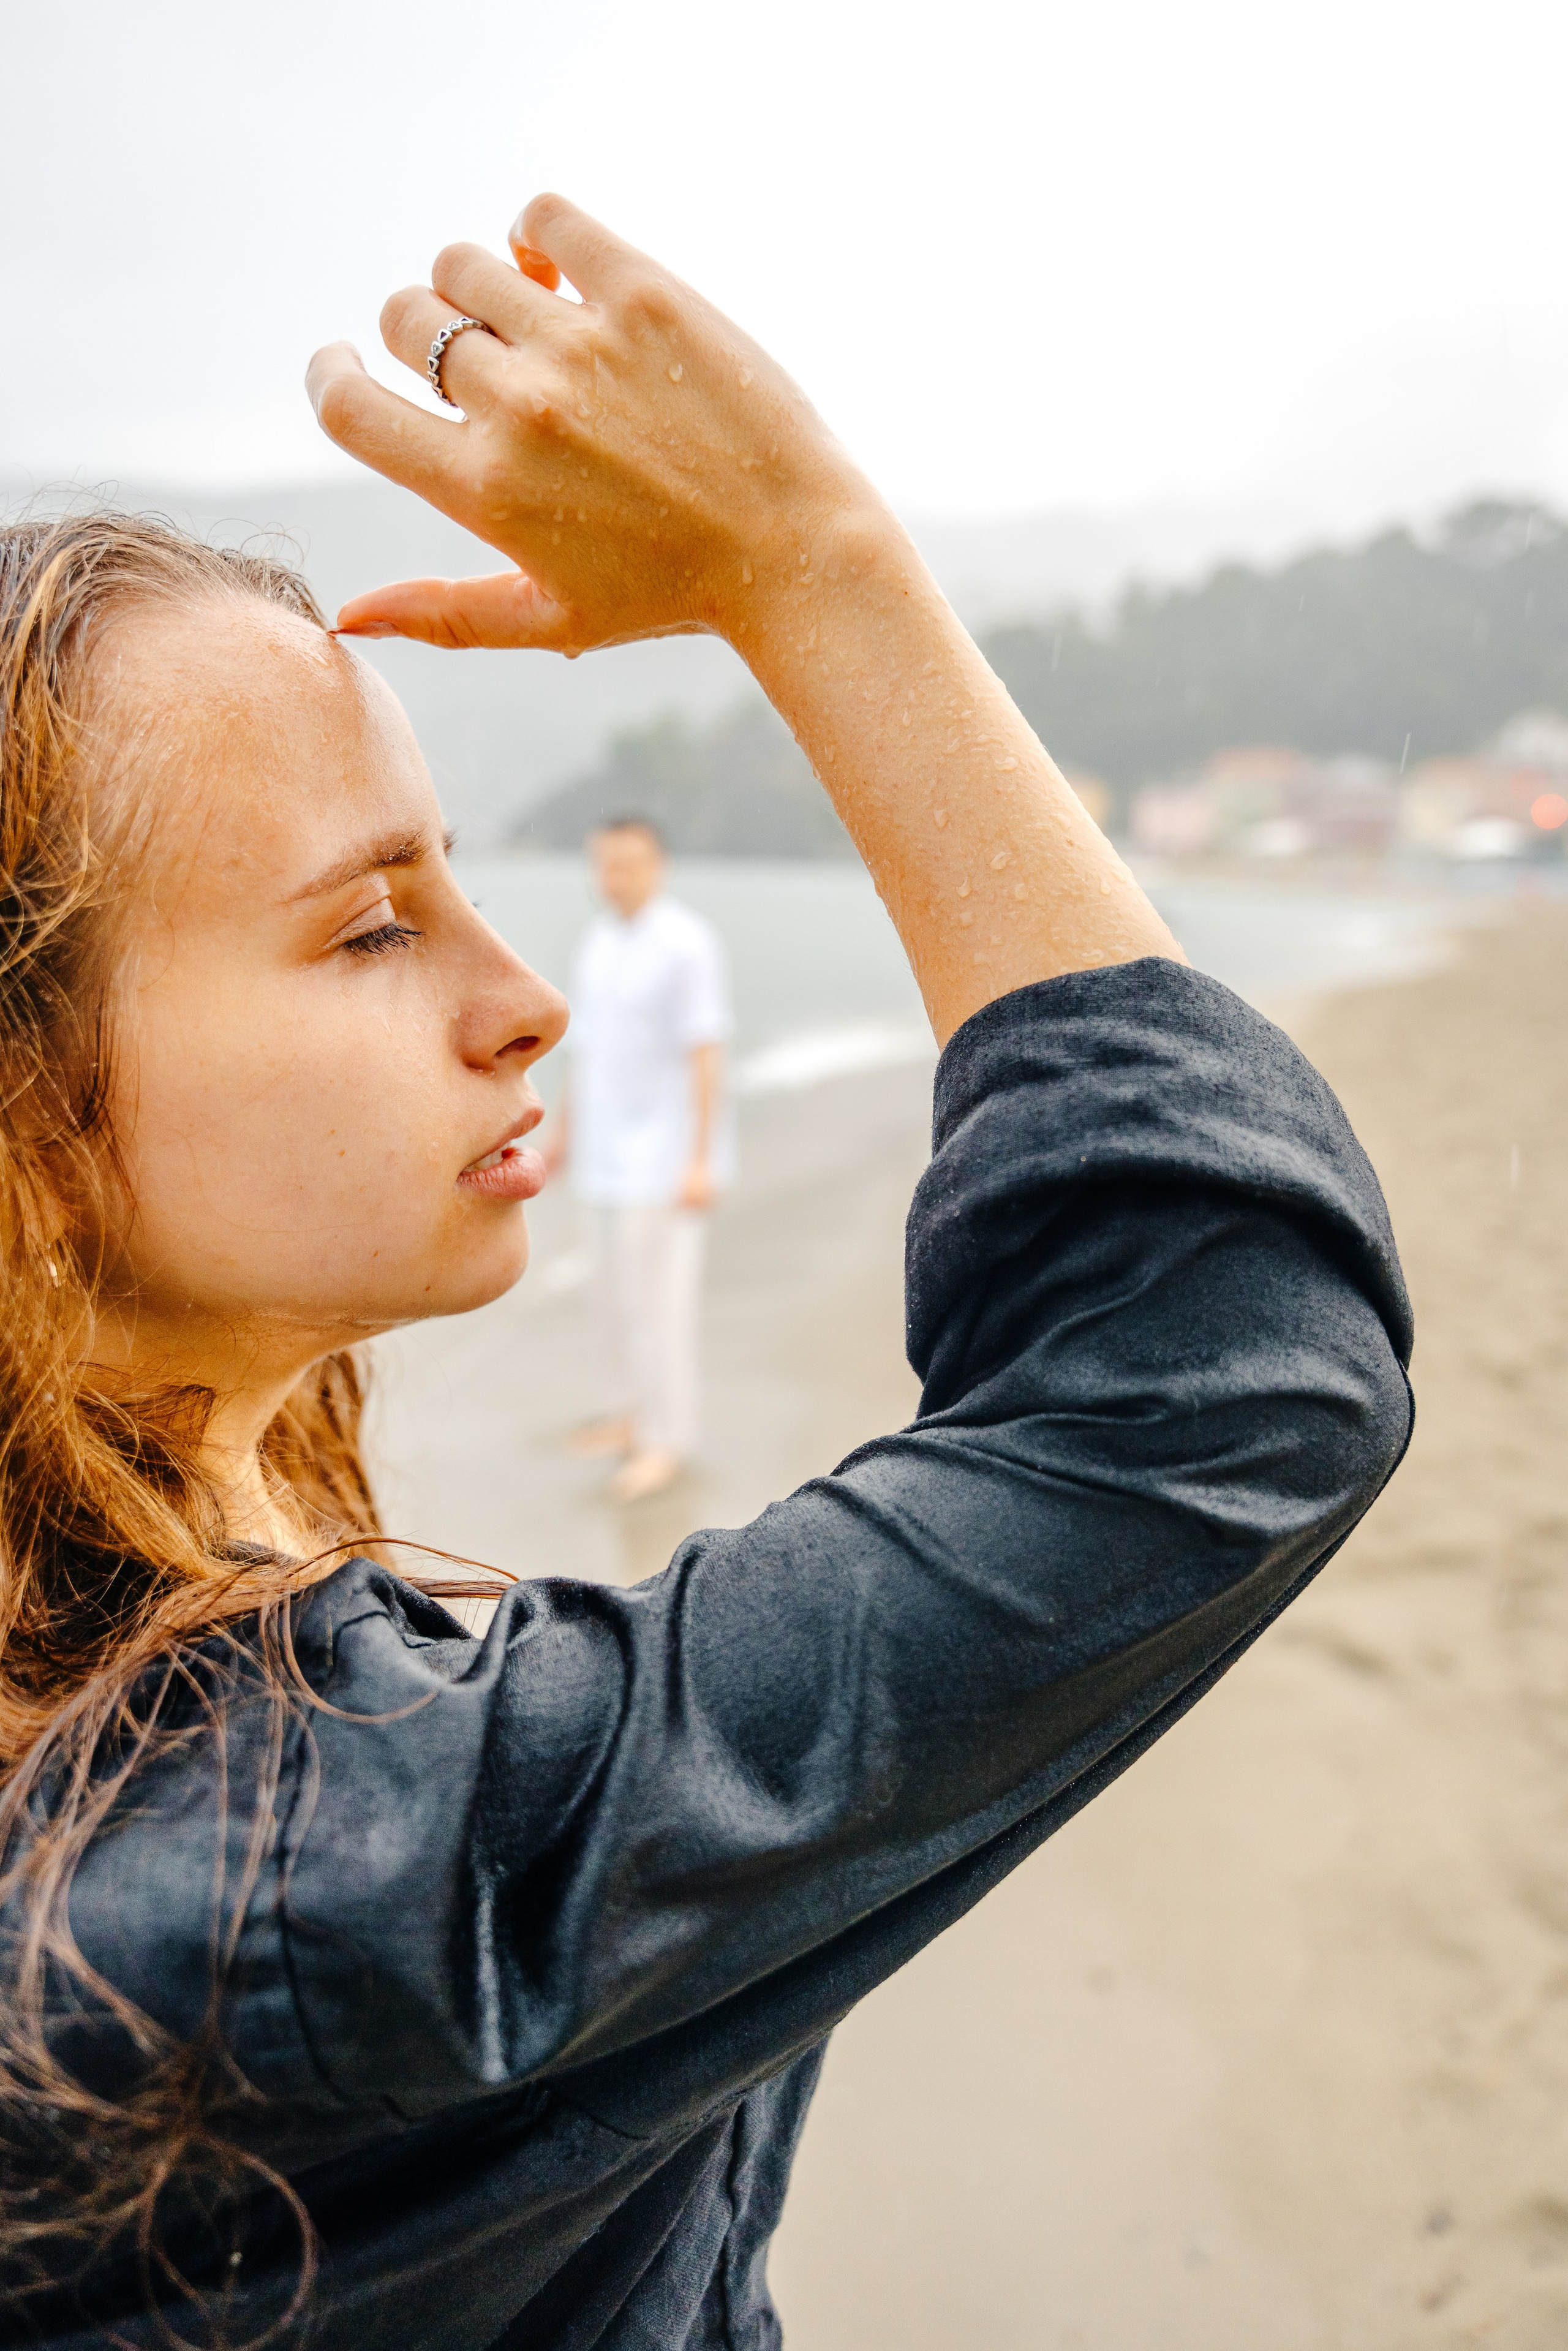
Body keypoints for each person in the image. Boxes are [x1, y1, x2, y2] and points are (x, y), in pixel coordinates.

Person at [0, 195, 1411, 2351]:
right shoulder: (328, 1881)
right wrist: (819, 569)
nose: (520, 994)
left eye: (462, 878)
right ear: (38, 1129)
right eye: (372, 922)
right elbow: (1224, 1347)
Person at [546, 816, 732, 1503]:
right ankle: (628, 1417)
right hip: (601, 1153)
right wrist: (564, 1132)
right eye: (604, 864)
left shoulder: (687, 943)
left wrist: (700, 1160)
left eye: (627, 864)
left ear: (658, 865)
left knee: (659, 1307)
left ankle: (665, 1443)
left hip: (662, 1159)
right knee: (611, 1300)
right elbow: (587, 1052)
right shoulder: (598, 941)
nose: (613, 878)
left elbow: (706, 1051)